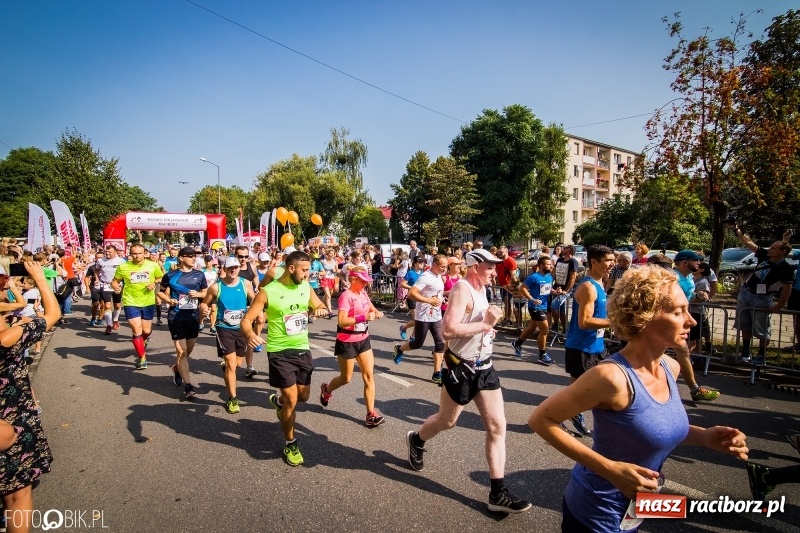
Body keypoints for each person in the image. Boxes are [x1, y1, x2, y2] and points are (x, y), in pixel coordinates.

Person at [529, 265, 749, 532]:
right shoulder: (610, 377)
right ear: (644, 317)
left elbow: (651, 424)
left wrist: (704, 437)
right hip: (595, 513)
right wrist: (610, 469)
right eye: (678, 311)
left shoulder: (671, 366)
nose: (690, 321)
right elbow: (541, 419)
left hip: (635, 509)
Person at [405, 249, 532, 514]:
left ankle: (497, 493)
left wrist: (487, 329)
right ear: (475, 267)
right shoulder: (463, 289)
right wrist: (485, 324)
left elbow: (476, 324)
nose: (494, 272)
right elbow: (449, 329)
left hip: (484, 367)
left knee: (497, 427)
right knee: (447, 421)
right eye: (489, 267)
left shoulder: (482, 289)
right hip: (461, 367)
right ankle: (417, 439)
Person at [241, 251, 329, 466]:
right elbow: (247, 320)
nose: (309, 274)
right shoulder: (268, 292)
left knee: (304, 397)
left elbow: (320, 305)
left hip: (302, 349)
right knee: (292, 399)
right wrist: (251, 334)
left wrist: (320, 309)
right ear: (292, 268)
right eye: (305, 270)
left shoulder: (305, 287)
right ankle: (291, 442)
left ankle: (279, 403)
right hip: (280, 351)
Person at [0, 260, 59, 533]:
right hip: (11, 421)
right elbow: (53, 313)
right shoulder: (10, 336)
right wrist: (39, 278)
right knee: (18, 497)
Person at [320, 266, 385, 426]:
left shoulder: (363, 293)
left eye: (366, 281)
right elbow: (341, 321)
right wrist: (363, 317)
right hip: (347, 341)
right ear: (354, 279)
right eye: (362, 281)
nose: (365, 284)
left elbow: (370, 307)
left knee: (369, 376)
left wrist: (377, 312)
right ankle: (327, 389)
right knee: (346, 378)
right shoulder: (345, 296)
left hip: (363, 340)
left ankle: (371, 414)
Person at [563, 245, 615, 437]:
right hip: (581, 347)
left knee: (603, 386)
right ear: (594, 262)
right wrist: (614, 322)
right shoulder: (588, 287)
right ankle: (557, 415)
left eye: (613, 260)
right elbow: (584, 322)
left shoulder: (601, 283)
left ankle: (569, 414)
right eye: (608, 261)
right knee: (578, 391)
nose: (612, 264)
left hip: (597, 347)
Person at [200, 257, 255, 414]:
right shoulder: (216, 287)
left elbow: (255, 299)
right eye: (230, 267)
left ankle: (227, 368)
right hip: (224, 328)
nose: (234, 270)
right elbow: (205, 302)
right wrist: (203, 309)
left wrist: (260, 311)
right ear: (225, 268)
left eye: (236, 267)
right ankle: (232, 398)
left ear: (239, 267)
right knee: (231, 364)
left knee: (238, 363)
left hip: (242, 328)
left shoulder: (245, 284)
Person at [732, 226, 794, 365]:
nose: (769, 249)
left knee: (762, 328)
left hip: (763, 298)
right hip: (746, 292)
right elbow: (748, 242)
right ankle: (746, 351)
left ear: (782, 252)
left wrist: (778, 306)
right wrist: (736, 229)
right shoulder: (764, 256)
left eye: (773, 248)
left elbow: (786, 290)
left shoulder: (785, 269)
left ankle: (761, 354)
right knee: (745, 324)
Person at [157, 247, 207, 398]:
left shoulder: (199, 275)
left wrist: (198, 294)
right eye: (190, 256)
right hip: (176, 316)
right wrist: (168, 300)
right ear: (181, 258)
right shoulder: (170, 275)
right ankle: (188, 386)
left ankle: (177, 368)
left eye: (195, 256)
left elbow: (207, 293)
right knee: (181, 351)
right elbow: (159, 290)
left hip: (193, 317)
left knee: (189, 349)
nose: (194, 258)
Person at [670, 250, 720, 401]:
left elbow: (688, 297)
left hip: (679, 319)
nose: (699, 263)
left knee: (681, 352)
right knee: (680, 352)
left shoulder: (690, 277)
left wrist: (698, 296)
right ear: (685, 262)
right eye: (695, 260)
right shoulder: (673, 278)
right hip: (669, 320)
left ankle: (693, 389)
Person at [393, 254, 448, 384]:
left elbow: (434, 292)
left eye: (446, 267)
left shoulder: (438, 276)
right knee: (418, 343)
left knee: (440, 343)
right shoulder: (425, 276)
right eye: (442, 266)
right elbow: (412, 293)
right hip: (423, 316)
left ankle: (436, 373)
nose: (444, 269)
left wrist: (445, 295)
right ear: (434, 264)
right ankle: (399, 349)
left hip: (436, 316)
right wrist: (429, 300)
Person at [111, 243, 164, 369]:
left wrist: (153, 283)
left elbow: (160, 277)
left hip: (148, 301)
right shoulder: (123, 267)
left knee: (146, 331)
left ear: (144, 253)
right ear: (130, 253)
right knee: (136, 330)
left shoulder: (153, 265)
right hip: (130, 301)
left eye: (140, 253)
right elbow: (115, 281)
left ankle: (142, 340)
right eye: (134, 253)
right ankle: (142, 358)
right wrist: (116, 287)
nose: (137, 256)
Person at [512, 256, 554, 365]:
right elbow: (522, 288)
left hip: (544, 307)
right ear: (541, 265)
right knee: (545, 330)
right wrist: (532, 299)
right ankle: (542, 354)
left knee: (531, 328)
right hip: (535, 307)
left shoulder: (549, 277)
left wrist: (556, 291)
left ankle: (517, 344)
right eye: (548, 264)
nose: (551, 266)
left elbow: (548, 289)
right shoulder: (534, 277)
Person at [550, 245, 579, 337]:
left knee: (554, 306)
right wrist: (549, 283)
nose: (562, 249)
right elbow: (554, 272)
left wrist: (566, 290)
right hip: (556, 287)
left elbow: (573, 277)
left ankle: (556, 325)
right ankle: (565, 330)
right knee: (561, 310)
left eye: (565, 248)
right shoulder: (560, 260)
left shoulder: (573, 261)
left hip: (565, 289)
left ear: (569, 250)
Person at [97, 245, 126, 335]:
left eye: (110, 252)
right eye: (106, 252)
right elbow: (97, 269)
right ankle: (109, 325)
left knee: (117, 305)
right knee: (108, 305)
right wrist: (97, 279)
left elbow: (125, 272)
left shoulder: (121, 261)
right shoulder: (101, 260)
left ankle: (115, 320)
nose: (107, 253)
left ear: (115, 252)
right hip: (106, 285)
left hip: (117, 285)